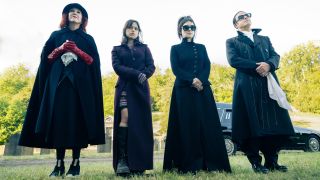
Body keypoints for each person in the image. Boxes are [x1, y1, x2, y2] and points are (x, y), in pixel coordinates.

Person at [19, 3, 105, 177]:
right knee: (58, 124)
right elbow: (46, 59)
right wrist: (59, 49)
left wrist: (78, 51)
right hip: (58, 86)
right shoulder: (56, 35)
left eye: (78, 12)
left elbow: (93, 63)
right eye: (72, 11)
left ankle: (76, 163)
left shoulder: (88, 39)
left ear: (83, 19)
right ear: (66, 16)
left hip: (80, 89)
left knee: (77, 123)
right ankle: (58, 164)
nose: (75, 13)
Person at [226, 11, 295, 173]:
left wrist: (269, 65)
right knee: (251, 124)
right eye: (241, 17)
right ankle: (256, 163)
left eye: (247, 15)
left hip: (268, 86)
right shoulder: (232, 41)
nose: (245, 17)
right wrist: (258, 65)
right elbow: (233, 60)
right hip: (247, 88)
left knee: (273, 122)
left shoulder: (264, 39)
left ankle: (272, 161)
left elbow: (275, 56)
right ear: (236, 25)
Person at [163, 16, 231, 173]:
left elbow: (207, 65)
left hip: (202, 90)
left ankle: (212, 164)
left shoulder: (201, 47)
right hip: (183, 92)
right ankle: (189, 165)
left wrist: (200, 80)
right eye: (186, 27)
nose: (189, 30)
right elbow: (176, 69)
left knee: (207, 125)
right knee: (187, 126)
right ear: (180, 30)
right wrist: (191, 80)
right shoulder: (175, 48)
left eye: (192, 27)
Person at [111, 19, 155, 176]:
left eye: (136, 28)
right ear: (125, 30)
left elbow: (151, 66)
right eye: (130, 27)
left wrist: (145, 75)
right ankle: (123, 160)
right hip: (124, 87)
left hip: (141, 89)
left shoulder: (145, 48)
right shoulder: (117, 49)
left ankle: (139, 164)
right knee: (126, 117)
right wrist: (137, 74)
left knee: (139, 124)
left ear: (138, 32)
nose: (133, 30)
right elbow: (117, 67)